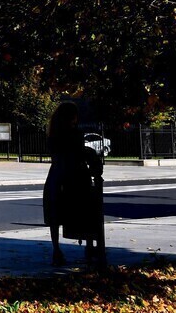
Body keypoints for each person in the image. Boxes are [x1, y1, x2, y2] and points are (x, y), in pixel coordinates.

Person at [43, 101, 104, 267]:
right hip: (74, 175)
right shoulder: (75, 133)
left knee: (55, 214)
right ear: (72, 116)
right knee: (85, 209)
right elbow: (78, 153)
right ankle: (90, 246)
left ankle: (56, 249)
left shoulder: (53, 134)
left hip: (56, 175)